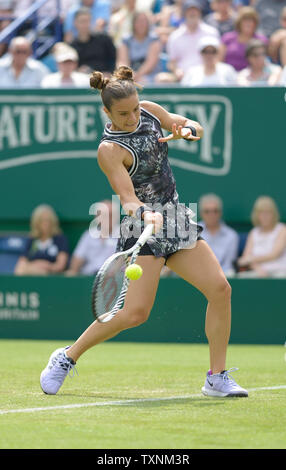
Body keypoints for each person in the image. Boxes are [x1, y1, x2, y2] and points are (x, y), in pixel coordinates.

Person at [40, 65, 248, 398]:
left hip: (177, 219)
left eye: (135, 108)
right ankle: (66, 357)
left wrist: (187, 129)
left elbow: (192, 125)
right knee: (134, 314)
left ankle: (217, 377)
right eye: (123, 113)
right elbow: (126, 197)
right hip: (143, 228)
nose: (132, 116)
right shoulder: (109, 150)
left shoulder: (150, 112)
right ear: (106, 111)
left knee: (221, 290)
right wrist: (146, 213)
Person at [157, 0, 219, 83]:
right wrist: (177, 71)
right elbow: (172, 62)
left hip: (207, 74)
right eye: (189, 10)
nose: (192, 13)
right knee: (161, 78)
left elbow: (218, 56)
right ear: (184, 13)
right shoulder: (175, 36)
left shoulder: (211, 32)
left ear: (200, 12)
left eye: (195, 10)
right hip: (183, 77)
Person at [65, 200, 119, 275]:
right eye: (103, 215)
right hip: (88, 278)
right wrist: (73, 271)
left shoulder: (124, 236)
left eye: (110, 215)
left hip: (112, 279)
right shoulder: (88, 235)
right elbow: (77, 260)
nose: (107, 218)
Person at [237, 196, 286, 278]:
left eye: (268, 212)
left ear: (274, 214)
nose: (265, 216)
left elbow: (274, 254)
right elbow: (246, 256)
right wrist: (257, 268)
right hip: (257, 273)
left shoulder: (282, 230)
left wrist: (250, 259)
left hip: (280, 274)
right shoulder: (253, 233)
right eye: (261, 213)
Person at [14, 204, 69, 275]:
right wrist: (36, 265)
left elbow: (60, 265)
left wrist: (46, 266)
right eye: (42, 221)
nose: (46, 224)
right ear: (36, 223)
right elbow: (21, 263)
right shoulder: (32, 240)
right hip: (31, 273)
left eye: (48, 220)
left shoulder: (60, 239)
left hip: (51, 275)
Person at [198, 194, 239, 276]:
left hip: (222, 278)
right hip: (197, 277)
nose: (211, 214)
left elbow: (228, 265)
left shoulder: (231, 235)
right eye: (207, 211)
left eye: (215, 211)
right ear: (201, 213)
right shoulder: (192, 232)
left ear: (220, 213)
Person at [116, 11, 162, 84]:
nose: (141, 24)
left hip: (150, 76)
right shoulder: (125, 40)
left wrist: (138, 75)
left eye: (144, 21)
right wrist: (129, 75)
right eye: (139, 21)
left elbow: (151, 62)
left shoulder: (154, 39)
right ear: (133, 23)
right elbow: (122, 61)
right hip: (129, 76)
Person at [220, 6, 268, 71]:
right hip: (229, 75)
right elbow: (219, 60)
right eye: (245, 20)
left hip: (251, 77)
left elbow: (265, 62)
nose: (248, 23)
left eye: (251, 20)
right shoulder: (227, 38)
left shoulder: (261, 40)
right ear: (239, 22)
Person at [70, 7, 116, 74]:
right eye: (82, 21)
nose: (85, 25)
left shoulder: (104, 39)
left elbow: (113, 59)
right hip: (83, 81)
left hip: (106, 79)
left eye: (87, 21)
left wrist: (110, 73)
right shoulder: (72, 46)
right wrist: (78, 71)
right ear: (75, 23)